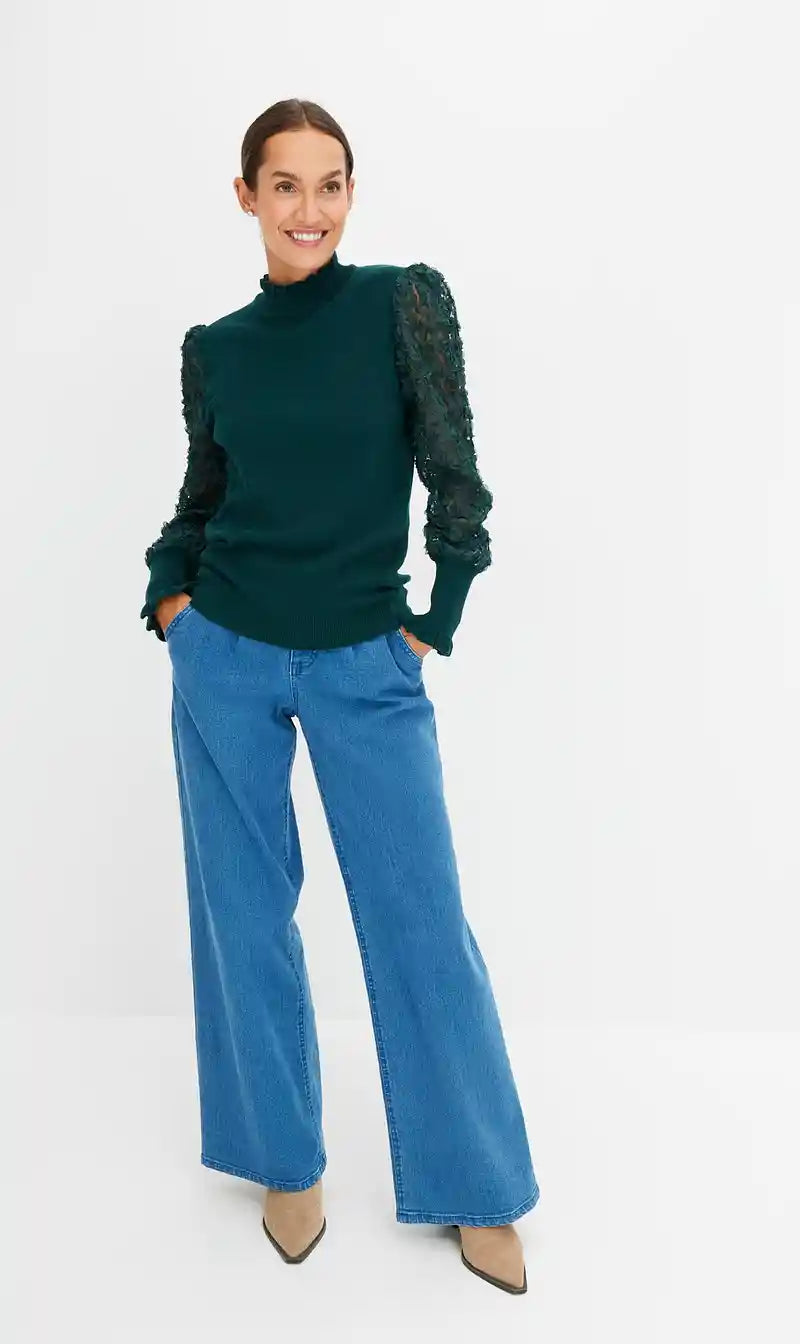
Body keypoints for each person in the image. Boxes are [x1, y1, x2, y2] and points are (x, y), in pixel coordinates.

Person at [139, 98, 539, 1293]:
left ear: (351, 194)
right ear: (247, 196)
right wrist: (172, 601)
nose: (308, 209)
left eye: (330, 184)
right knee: (243, 915)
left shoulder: (400, 304)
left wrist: (434, 623)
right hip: (226, 655)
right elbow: (203, 497)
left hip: (369, 659)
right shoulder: (216, 347)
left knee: (421, 918)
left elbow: (456, 479)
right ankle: (283, 1160)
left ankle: (474, 1182)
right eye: (285, 185)